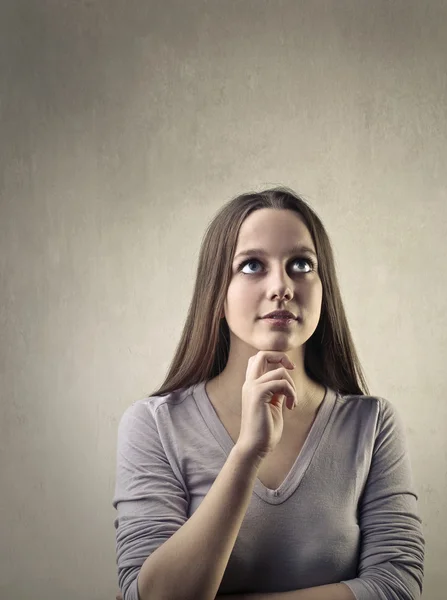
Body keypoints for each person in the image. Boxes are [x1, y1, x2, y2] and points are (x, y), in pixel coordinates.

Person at [112, 186, 425, 600]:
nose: (281, 286)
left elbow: (396, 586)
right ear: (216, 293)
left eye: (300, 264)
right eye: (251, 266)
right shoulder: (154, 425)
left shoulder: (373, 424)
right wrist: (247, 453)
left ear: (323, 287)